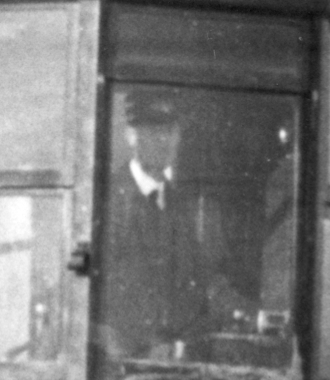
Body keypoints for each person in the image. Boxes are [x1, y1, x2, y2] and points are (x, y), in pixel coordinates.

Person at [96, 92, 238, 364]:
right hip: (121, 369)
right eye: (154, 131)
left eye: (172, 131)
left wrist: (243, 311)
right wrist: (136, 347)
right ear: (131, 135)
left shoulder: (178, 203)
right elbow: (96, 304)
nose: (166, 141)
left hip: (169, 366)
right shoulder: (107, 200)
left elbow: (200, 277)